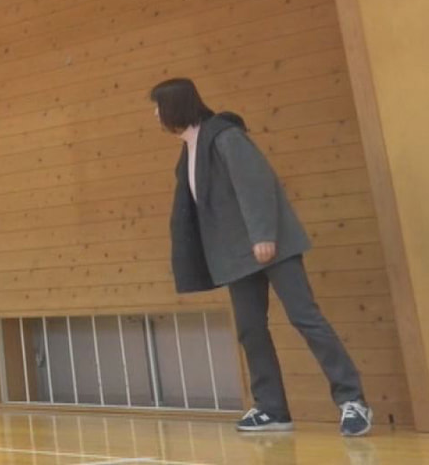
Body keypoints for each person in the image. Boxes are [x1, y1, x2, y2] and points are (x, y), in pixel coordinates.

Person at [150, 78, 372, 437]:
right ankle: (272, 409)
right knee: (251, 330)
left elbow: (256, 184)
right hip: (237, 256)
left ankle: (353, 401)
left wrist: (264, 234)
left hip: (271, 245)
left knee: (306, 318)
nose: (155, 114)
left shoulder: (224, 136)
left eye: (158, 106)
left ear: (175, 105)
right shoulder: (189, 150)